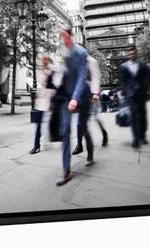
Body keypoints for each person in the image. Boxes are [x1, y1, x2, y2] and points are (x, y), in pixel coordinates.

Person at [56, 28, 90, 186]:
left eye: (65, 35)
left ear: (70, 35)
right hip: (65, 96)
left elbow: (82, 76)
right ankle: (66, 171)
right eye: (61, 35)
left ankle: (90, 153)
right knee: (65, 132)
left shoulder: (81, 52)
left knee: (82, 128)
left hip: (81, 96)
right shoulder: (64, 53)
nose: (63, 38)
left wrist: (75, 98)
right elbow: (62, 74)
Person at [73, 54, 108, 157]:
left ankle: (104, 133)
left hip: (92, 93)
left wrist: (96, 93)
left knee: (96, 116)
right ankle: (79, 144)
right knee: (81, 121)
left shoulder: (92, 61)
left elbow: (96, 77)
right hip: (82, 93)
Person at [120, 46, 150, 148]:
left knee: (142, 115)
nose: (131, 55)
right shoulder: (124, 66)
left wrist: (146, 92)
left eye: (133, 53)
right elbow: (123, 82)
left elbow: (146, 79)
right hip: (130, 95)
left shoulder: (143, 65)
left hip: (141, 94)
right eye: (130, 54)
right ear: (128, 55)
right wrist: (124, 94)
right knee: (133, 116)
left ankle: (143, 135)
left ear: (136, 54)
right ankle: (135, 138)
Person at [30, 55, 54, 154]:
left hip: (49, 99)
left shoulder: (52, 72)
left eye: (45, 60)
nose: (43, 61)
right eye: (42, 60)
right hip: (41, 100)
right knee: (38, 123)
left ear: (48, 61)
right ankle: (36, 145)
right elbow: (41, 84)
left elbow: (53, 86)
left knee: (50, 122)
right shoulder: (41, 72)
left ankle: (49, 139)